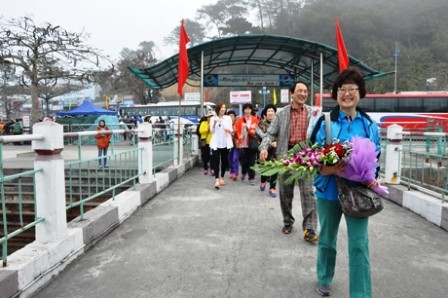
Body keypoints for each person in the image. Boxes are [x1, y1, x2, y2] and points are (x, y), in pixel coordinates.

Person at [309, 67, 381, 297]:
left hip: (358, 194)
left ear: (360, 93)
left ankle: (361, 293)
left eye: (352, 89)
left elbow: (376, 157)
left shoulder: (369, 125)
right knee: (328, 240)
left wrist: (372, 176)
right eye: (342, 89)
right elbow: (312, 156)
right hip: (329, 190)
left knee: (359, 245)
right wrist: (326, 168)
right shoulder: (325, 122)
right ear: (336, 93)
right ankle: (324, 277)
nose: (347, 94)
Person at [259, 81, 318, 242]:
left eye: (305, 91)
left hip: (306, 157)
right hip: (286, 156)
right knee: (286, 193)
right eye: (300, 91)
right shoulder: (282, 113)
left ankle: (310, 228)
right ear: (292, 93)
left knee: (308, 193)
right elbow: (270, 134)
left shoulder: (313, 113)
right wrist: (264, 148)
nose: (303, 94)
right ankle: (288, 221)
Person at [209, 102, 233, 189]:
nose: (223, 109)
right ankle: (216, 179)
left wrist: (228, 130)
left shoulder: (228, 118)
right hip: (216, 143)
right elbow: (211, 131)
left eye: (224, 108)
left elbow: (231, 129)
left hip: (225, 143)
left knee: (224, 160)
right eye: (222, 107)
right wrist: (215, 123)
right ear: (218, 109)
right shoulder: (213, 118)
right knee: (216, 161)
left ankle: (222, 177)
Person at [234, 103, 259, 185]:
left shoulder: (255, 119)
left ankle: (251, 178)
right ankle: (244, 172)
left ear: (251, 110)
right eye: (246, 109)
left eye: (249, 109)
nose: (247, 111)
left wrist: (251, 131)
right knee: (243, 161)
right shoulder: (240, 120)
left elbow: (256, 129)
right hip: (243, 144)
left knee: (252, 161)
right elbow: (237, 130)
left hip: (252, 143)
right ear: (243, 110)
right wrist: (239, 135)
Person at [256, 104, 278, 197]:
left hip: (276, 151)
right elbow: (259, 138)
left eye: (272, 111)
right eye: (268, 111)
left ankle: (272, 188)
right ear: (265, 113)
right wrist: (269, 143)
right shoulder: (261, 124)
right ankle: (263, 181)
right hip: (264, 150)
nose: (270, 113)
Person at [226, 110, 239, 181]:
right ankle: (231, 171)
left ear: (234, 117)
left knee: (235, 158)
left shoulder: (237, 124)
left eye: (232, 116)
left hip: (236, 144)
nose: (231, 117)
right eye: (229, 116)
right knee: (229, 159)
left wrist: (235, 132)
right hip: (229, 144)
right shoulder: (226, 125)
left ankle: (235, 173)